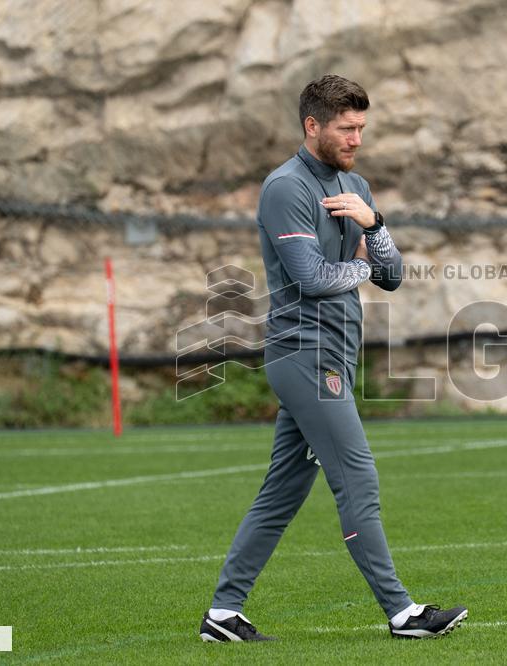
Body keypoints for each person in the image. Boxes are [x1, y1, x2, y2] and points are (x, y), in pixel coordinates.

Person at [199, 75, 468, 642]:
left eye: (362, 128)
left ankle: (222, 614)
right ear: (312, 126)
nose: (356, 139)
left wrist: (377, 226)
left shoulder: (357, 186)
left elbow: (394, 276)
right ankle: (402, 613)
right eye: (346, 129)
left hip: (336, 357)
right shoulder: (285, 188)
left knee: (281, 493)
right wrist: (367, 261)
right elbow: (315, 279)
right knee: (358, 478)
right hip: (302, 355)